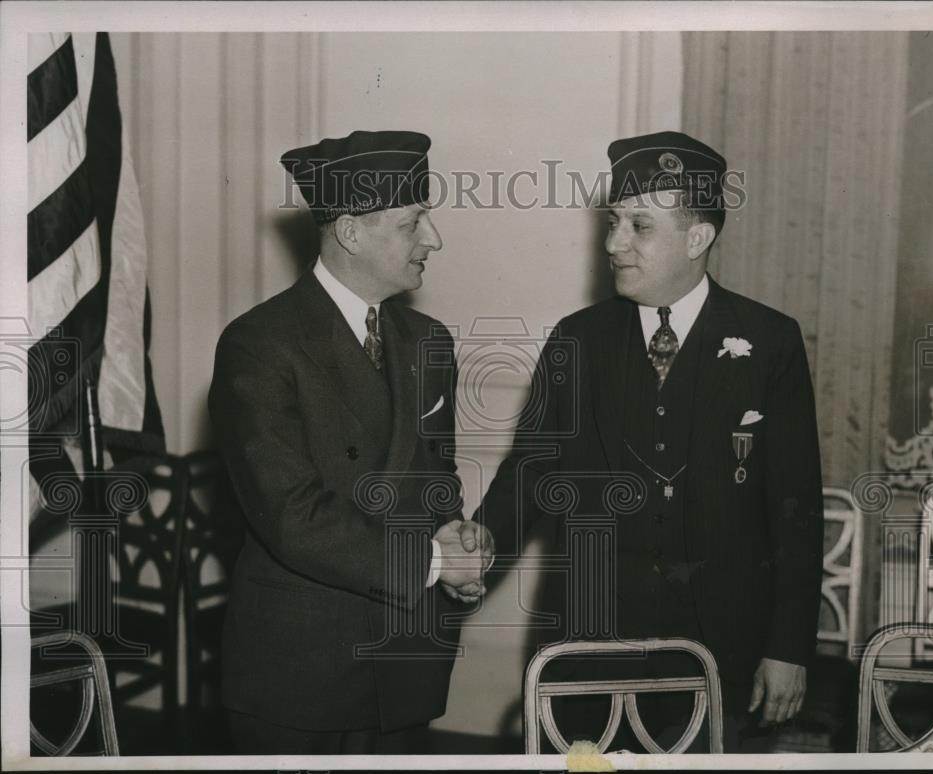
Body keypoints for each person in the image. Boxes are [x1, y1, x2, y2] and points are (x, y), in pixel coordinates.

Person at [473, 130, 824, 752]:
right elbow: (528, 473)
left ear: (698, 237)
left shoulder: (769, 341)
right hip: (591, 644)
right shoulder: (577, 339)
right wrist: (474, 552)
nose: (613, 243)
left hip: (725, 649)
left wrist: (788, 647)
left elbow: (795, 508)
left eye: (639, 225)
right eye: (613, 223)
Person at [208, 130, 488, 754]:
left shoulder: (429, 341)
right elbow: (291, 516)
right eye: (414, 221)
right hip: (302, 673)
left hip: (405, 660)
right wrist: (436, 564)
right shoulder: (260, 345)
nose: (433, 238)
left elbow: (434, 478)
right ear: (351, 231)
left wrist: (457, 534)